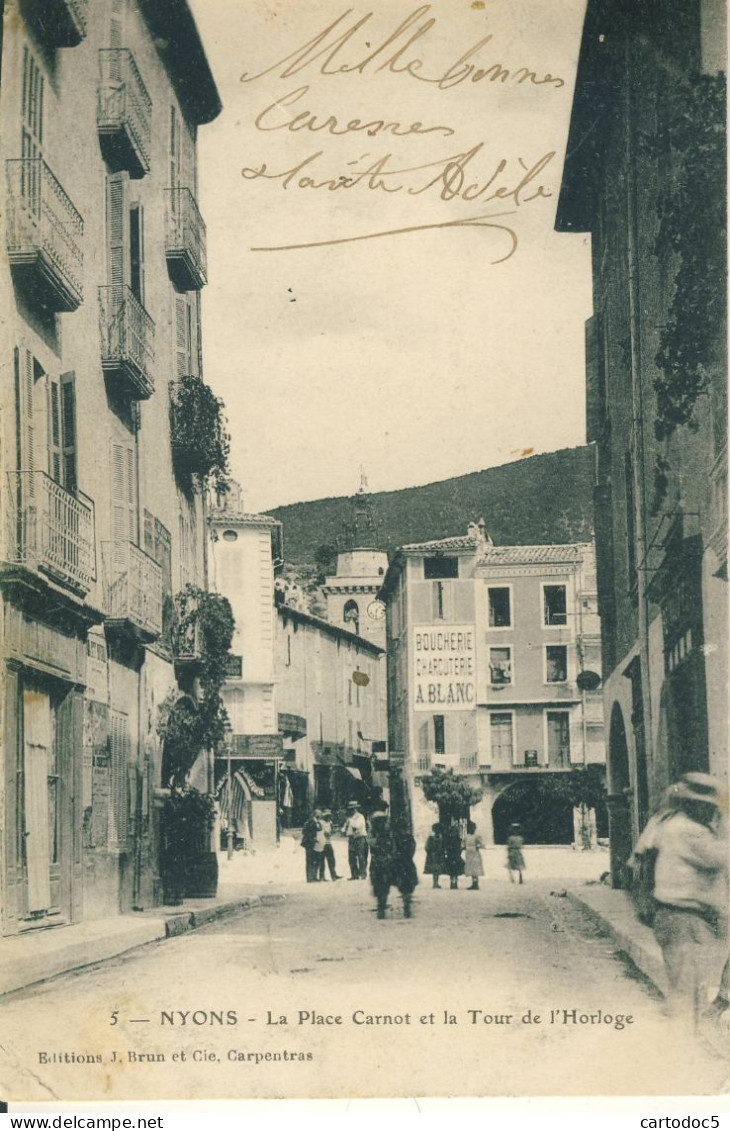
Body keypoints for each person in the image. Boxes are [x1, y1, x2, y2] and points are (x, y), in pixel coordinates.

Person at [629, 773, 728, 1032]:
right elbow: (721, 858)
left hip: (673, 915)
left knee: (687, 987)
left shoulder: (665, 823)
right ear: (696, 804)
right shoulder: (690, 831)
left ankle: (687, 1037)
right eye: (709, 805)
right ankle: (682, 1050)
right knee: (687, 993)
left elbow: (637, 858)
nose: (712, 810)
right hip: (685, 917)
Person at [341, 800, 369, 879]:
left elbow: (356, 826)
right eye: (350, 809)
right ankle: (354, 875)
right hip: (352, 839)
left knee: (361, 857)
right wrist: (343, 830)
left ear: (356, 809)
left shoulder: (360, 816)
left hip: (359, 838)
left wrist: (350, 823)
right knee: (351, 857)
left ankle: (363, 874)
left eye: (353, 809)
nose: (351, 810)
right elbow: (344, 828)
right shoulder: (349, 818)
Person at [317, 809, 341, 881]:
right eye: (327, 816)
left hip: (328, 842)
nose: (328, 817)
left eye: (329, 816)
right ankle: (322, 876)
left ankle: (333, 875)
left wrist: (333, 831)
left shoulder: (330, 822)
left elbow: (332, 831)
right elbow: (325, 833)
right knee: (322, 861)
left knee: (331, 860)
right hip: (322, 843)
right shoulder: (320, 822)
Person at [442, 820, 465, 890]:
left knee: (454, 871)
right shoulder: (452, 840)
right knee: (452, 871)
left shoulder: (457, 840)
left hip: (455, 856)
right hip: (452, 856)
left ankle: (454, 883)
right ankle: (453, 883)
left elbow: (460, 848)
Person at [300, 810, 320, 883]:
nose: (320, 815)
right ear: (316, 814)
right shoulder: (311, 822)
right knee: (310, 860)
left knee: (313, 860)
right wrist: (313, 838)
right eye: (319, 813)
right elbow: (307, 832)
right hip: (310, 843)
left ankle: (313, 876)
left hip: (312, 843)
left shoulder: (316, 822)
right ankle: (310, 877)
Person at [464, 820, 485, 890]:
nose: (471, 829)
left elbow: (482, 844)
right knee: (471, 869)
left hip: (475, 853)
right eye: (470, 828)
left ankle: (476, 884)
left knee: (475, 869)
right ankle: (473, 883)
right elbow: (463, 844)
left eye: (472, 828)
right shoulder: (466, 836)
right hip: (468, 853)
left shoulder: (477, 836)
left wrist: (477, 846)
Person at [424, 823, 446, 889]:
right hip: (436, 855)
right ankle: (435, 883)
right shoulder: (439, 837)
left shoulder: (432, 837)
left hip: (433, 855)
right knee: (436, 869)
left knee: (436, 869)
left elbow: (427, 847)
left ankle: (435, 883)